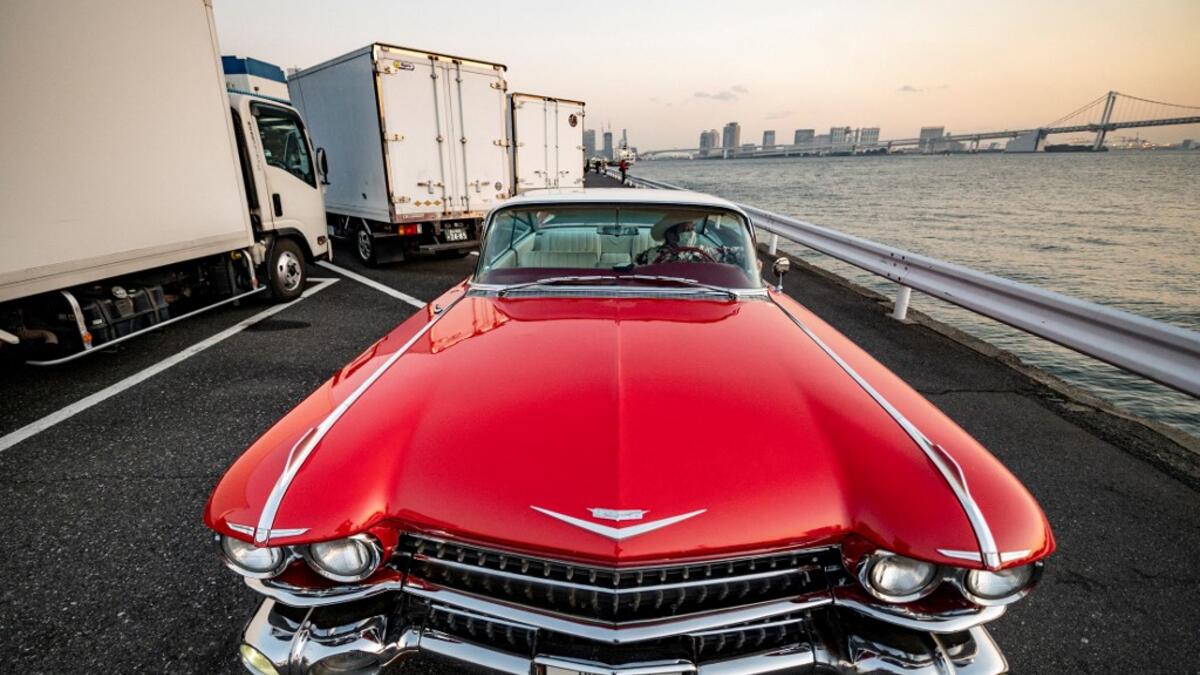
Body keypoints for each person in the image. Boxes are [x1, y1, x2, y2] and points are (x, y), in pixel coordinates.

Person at [635, 221, 745, 266]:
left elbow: (731, 253)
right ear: (671, 235)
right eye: (686, 230)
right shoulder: (651, 255)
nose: (692, 234)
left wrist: (749, 256)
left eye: (693, 229)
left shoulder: (703, 252)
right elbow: (636, 275)